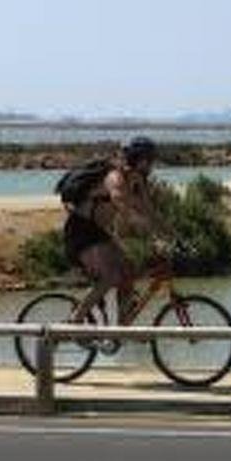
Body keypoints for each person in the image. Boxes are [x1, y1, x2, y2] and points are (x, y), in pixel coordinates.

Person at [65, 136, 164, 327]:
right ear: (138, 159)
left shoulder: (137, 180)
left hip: (99, 232)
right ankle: (75, 320)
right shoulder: (114, 177)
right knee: (111, 276)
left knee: (129, 271)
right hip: (81, 231)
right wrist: (146, 229)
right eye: (149, 160)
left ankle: (122, 326)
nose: (152, 164)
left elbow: (150, 211)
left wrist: (173, 235)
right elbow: (121, 203)